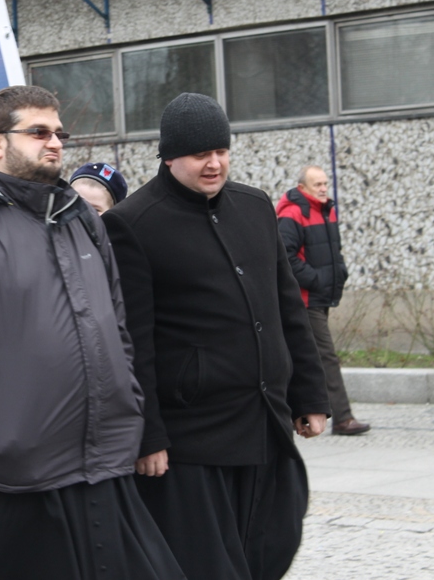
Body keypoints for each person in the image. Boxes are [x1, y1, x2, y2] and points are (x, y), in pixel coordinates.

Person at [0, 85, 184, 580]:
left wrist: (126, 398)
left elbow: (116, 324)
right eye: (38, 132)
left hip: (96, 464)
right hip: (0, 476)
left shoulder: (82, 220)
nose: (55, 142)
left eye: (58, 133)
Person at [102, 93, 331, 580]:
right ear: (169, 156)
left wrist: (310, 394)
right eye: (200, 154)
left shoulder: (255, 205)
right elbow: (132, 343)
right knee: (207, 566)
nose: (214, 163)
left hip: (264, 424)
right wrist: (147, 435)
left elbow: (287, 308)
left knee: (272, 546)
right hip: (192, 441)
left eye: (222, 151)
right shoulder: (132, 223)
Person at [277, 166, 370, 436]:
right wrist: (316, 280)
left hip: (320, 296)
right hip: (304, 299)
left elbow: (334, 251)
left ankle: (289, 412)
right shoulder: (293, 214)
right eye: (317, 184)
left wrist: (340, 272)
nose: (323, 189)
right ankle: (343, 418)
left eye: (325, 184)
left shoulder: (327, 210)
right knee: (325, 357)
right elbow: (285, 257)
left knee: (301, 356)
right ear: (302, 188)